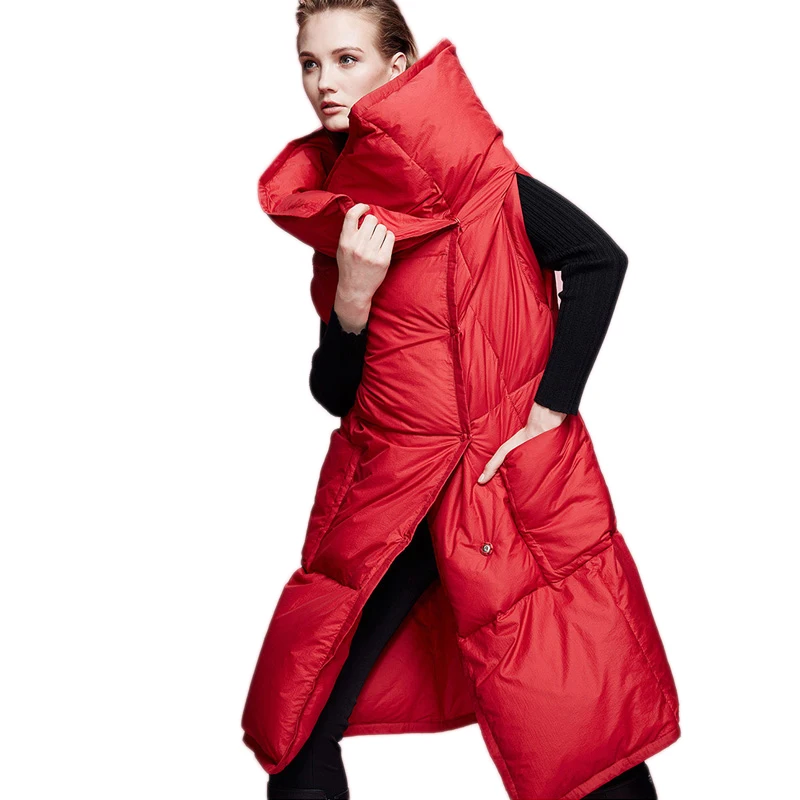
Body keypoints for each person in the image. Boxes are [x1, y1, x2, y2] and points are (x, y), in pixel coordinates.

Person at [246, 3, 680, 798]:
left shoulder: (484, 182)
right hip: (391, 503)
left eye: (346, 59)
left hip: (498, 495)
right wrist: (351, 302)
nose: (323, 82)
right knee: (297, 728)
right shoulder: (345, 211)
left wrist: (548, 410)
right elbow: (336, 394)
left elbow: (598, 261)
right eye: (310, 63)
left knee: (582, 735)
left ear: (399, 67)